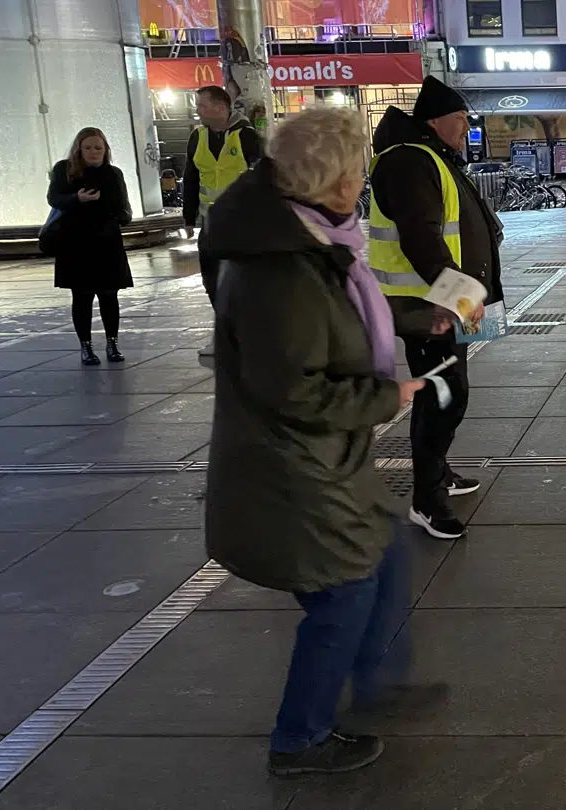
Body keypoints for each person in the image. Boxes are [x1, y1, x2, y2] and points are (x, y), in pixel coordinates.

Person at [202, 106, 447, 777]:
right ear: (334, 181)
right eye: (356, 168)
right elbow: (295, 391)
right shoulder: (277, 271)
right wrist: (386, 396)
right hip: (290, 467)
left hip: (324, 459)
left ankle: (374, 687)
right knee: (343, 596)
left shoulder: (311, 237)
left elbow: (345, 307)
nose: (362, 179)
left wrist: (421, 316)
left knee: (387, 553)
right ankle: (299, 739)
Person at [368, 76, 502, 538]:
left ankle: (437, 471)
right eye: (461, 118)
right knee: (445, 396)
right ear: (435, 120)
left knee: (447, 390)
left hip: (441, 304)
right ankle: (427, 500)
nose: (467, 126)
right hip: (425, 308)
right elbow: (421, 238)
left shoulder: (431, 157)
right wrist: (463, 300)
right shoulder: (408, 161)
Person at [47, 127, 133, 366]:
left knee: (109, 295)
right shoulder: (64, 170)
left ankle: (112, 342)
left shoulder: (113, 173)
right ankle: (85, 346)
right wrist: (77, 198)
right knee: (82, 296)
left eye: (98, 148)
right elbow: (54, 198)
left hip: (107, 241)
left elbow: (122, 205)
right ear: (79, 149)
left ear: (105, 150)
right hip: (75, 242)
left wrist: (119, 213)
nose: (93, 152)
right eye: (88, 148)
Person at [185, 85, 262, 306]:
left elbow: (262, 179)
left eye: (202, 105)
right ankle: (223, 321)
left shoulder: (247, 136)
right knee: (211, 280)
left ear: (220, 107)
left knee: (243, 280)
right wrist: (189, 219)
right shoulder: (197, 137)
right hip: (209, 223)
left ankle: (243, 326)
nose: (198, 110)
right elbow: (191, 178)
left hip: (242, 224)